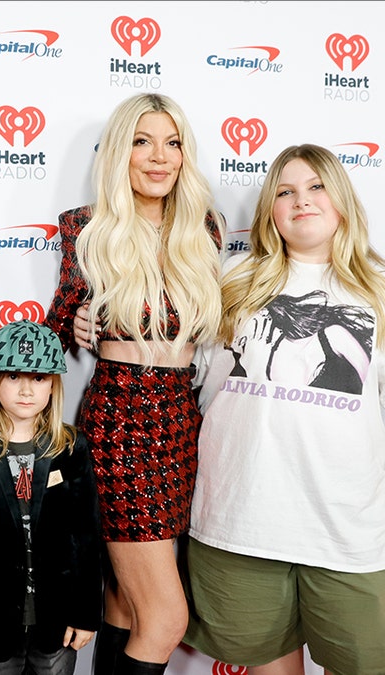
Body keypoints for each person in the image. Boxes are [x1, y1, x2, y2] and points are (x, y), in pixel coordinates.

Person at [185, 144, 385, 674]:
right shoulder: (232, 278)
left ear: (342, 198)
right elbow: (178, 364)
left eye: (317, 186)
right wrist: (92, 319)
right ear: (270, 209)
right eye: (285, 190)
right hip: (243, 519)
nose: (302, 201)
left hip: (347, 529)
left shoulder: (379, 289)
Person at [44, 92, 223, 675]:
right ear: (120, 151)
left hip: (181, 421)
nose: (159, 157)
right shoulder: (86, 227)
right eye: (143, 141)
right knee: (168, 618)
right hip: (122, 419)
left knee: (126, 601)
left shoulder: (205, 228)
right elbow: (53, 337)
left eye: (172, 143)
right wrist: (72, 321)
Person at [0, 320, 103, 675]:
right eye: (14, 376)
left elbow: (86, 535)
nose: (26, 390)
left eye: (39, 379)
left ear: (53, 386)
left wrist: (85, 615)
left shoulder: (71, 448)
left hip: (57, 624)